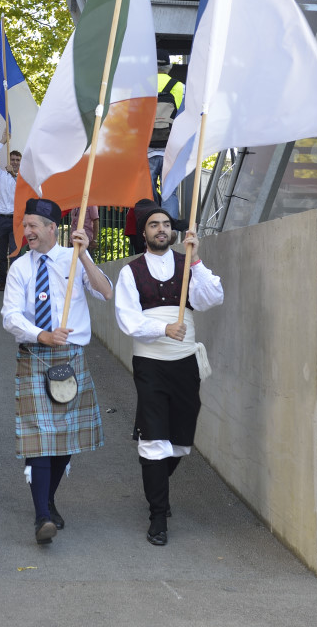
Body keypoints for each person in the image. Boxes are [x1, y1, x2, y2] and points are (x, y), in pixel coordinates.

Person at [0, 198, 112, 545]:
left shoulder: (73, 257)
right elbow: (10, 316)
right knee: (39, 440)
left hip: (71, 357)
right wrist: (41, 334)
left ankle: (47, 497)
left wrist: (85, 255)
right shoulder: (20, 267)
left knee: (65, 440)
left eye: (34, 225)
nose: (28, 231)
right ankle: (42, 516)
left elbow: (106, 292)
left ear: (52, 228)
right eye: (25, 225)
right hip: (35, 355)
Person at [114, 203, 223, 546]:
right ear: (143, 233)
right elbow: (127, 319)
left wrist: (197, 261)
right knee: (154, 439)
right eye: (153, 225)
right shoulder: (131, 272)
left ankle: (157, 483)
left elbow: (211, 298)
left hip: (185, 361)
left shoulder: (186, 263)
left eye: (165, 224)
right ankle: (157, 515)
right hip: (150, 364)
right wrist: (163, 328)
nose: (160, 229)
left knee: (180, 440)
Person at [148, 63, 184, 218]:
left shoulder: (143, 85)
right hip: (171, 149)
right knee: (169, 192)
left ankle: (153, 223)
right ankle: (170, 232)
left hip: (147, 149)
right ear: (169, 67)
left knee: (147, 193)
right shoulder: (180, 87)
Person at [0, 136, 20, 290]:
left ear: (20, 162)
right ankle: (2, 281)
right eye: (12, 159)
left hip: (15, 219)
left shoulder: (22, 179)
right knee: (1, 253)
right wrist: (1, 142)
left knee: (15, 252)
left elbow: (24, 190)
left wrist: (13, 174)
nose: (14, 162)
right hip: (0, 219)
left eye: (17, 160)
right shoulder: (0, 175)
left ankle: (13, 282)